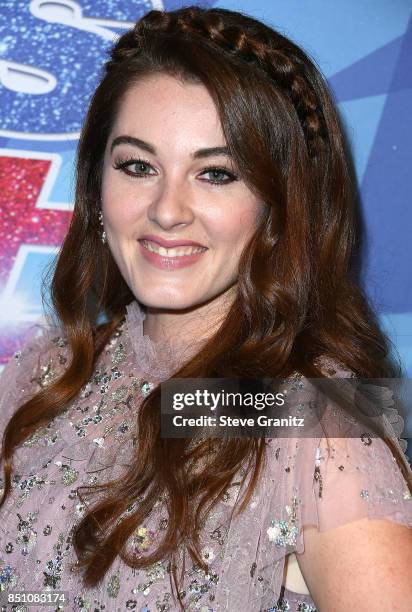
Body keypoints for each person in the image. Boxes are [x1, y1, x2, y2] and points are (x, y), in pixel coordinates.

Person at [1, 5, 411, 611]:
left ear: (280, 206)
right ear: (95, 187)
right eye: (138, 166)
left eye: (216, 174)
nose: (168, 210)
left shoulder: (314, 421)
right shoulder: (51, 372)